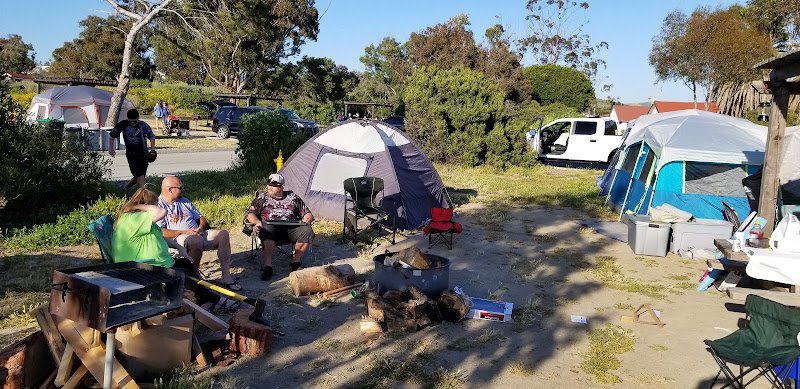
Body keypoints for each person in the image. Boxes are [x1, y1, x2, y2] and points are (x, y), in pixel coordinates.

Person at [112, 187, 235, 309]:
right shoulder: (133, 218)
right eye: (155, 204)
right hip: (142, 267)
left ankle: (206, 300)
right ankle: (214, 300)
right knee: (184, 275)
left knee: (185, 264)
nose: (158, 206)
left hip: (153, 264)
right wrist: (135, 207)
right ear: (147, 206)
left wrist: (178, 247)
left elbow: (160, 236)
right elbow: (161, 212)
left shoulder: (141, 220)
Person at [157, 175, 239, 291]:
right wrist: (184, 232)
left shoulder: (184, 201)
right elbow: (161, 231)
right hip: (177, 239)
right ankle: (194, 278)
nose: (183, 190)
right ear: (170, 189)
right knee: (196, 241)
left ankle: (226, 276)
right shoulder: (158, 206)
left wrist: (200, 228)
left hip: (196, 233)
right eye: (180, 188)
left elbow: (201, 218)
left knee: (223, 234)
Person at [245, 173, 314, 281]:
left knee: (307, 231)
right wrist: (257, 222)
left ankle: (295, 262)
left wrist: (306, 219)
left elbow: (308, 214)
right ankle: (268, 266)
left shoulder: (293, 198)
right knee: (266, 230)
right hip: (270, 228)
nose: (269, 187)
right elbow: (250, 213)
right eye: (269, 185)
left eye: (273, 186)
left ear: (281, 187)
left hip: (291, 228)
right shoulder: (262, 198)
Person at [109, 108, 156, 190]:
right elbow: (112, 135)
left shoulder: (143, 125)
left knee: (140, 175)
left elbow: (151, 136)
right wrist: (110, 148)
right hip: (132, 155)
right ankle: (145, 194)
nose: (133, 123)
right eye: (131, 121)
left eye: (135, 121)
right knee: (140, 177)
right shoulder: (123, 124)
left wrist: (152, 150)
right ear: (128, 119)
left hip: (144, 154)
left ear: (138, 119)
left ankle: (126, 187)